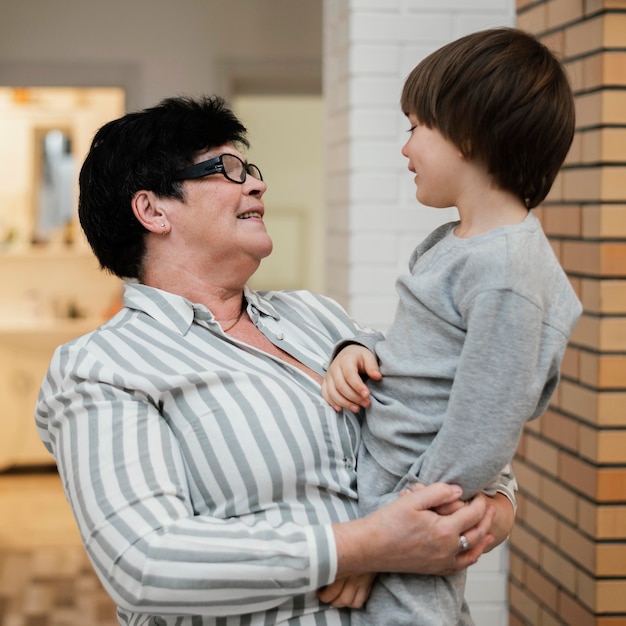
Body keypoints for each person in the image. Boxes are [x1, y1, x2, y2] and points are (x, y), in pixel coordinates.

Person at [35, 95, 515, 626]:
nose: (257, 184)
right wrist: (362, 546)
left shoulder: (318, 317)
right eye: (228, 169)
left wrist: (491, 511)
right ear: (152, 210)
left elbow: (451, 428)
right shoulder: (103, 365)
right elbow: (146, 561)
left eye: (251, 169)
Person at [321, 27, 582, 626]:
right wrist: (358, 348)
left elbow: (480, 431)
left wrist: (381, 538)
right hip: (389, 487)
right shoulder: (459, 245)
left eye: (415, 127)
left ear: (467, 132)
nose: (405, 147)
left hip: (416, 501)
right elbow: (425, 356)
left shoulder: (506, 270)